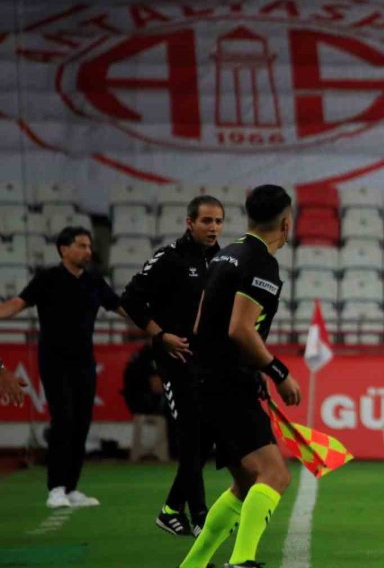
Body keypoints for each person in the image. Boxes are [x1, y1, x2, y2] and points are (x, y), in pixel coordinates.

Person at [177, 185, 301, 568]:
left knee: (246, 482)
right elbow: (240, 329)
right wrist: (277, 372)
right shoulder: (261, 262)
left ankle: (193, 565)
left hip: (206, 379)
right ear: (285, 222)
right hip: (227, 383)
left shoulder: (223, 256)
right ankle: (243, 560)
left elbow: (199, 323)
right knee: (275, 475)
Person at [0, 226, 130, 508]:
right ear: (64, 249)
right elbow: (17, 304)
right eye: (81, 246)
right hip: (54, 361)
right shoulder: (47, 278)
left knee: (82, 423)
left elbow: (121, 308)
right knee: (63, 420)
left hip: (85, 362)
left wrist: (156, 326)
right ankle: (55, 488)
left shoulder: (95, 281)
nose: (88, 251)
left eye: (89, 246)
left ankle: (72, 488)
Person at [121, 195, 224, 537]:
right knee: (192, 438)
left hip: (208, 363)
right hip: (176, 359)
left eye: (219, 221)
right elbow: (130, 299)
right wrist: (160, 335)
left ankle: (170, 509)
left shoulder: (223, 260)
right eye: (207, 221)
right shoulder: (170, 258)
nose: (213, 228)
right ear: (189, 222)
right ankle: (200, 518)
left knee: (204, 440)